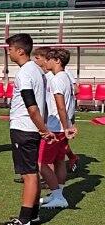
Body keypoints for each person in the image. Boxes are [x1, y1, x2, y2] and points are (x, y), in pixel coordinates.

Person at [0, 33, 54, 225]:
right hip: (31, 129)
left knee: (28, 174)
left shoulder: (24, 73)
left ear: (20, 51)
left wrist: (43, 129)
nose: (9, 52)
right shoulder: (37, 70)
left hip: (24, 128)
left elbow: (31, 106)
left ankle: (24, 219)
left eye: (10, 49)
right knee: (33, 172)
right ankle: (34, 213)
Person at [39, 48, 78, 209]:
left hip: (56, 128)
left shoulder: (56, 79)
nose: (45, 62)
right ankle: (58, 194)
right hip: (62, 128)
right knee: (59, 160)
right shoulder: (66, 77)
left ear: (57, 61)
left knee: (42, 164)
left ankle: (57, 196)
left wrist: (66, 127)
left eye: (49, 59)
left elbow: (60, 107)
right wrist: (68, 125)